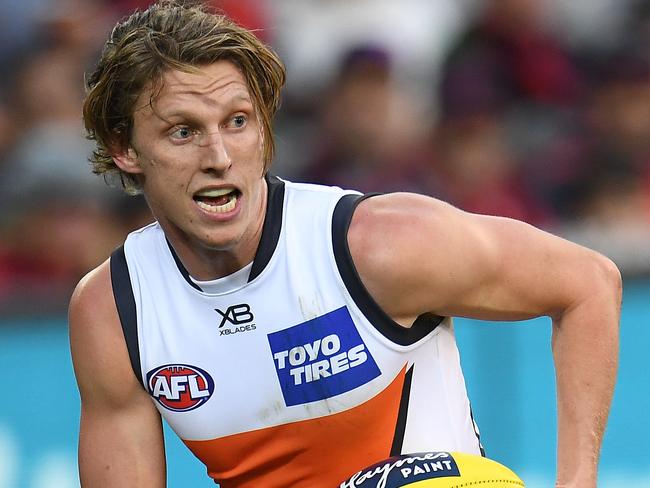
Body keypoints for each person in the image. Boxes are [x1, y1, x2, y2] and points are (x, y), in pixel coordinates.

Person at [69, 1, 621, 487]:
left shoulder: (375, 245)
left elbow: (589, 284)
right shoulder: (114, 311)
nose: (218, 155)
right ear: (125, 148)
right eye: (183, 131)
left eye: (237, 121)